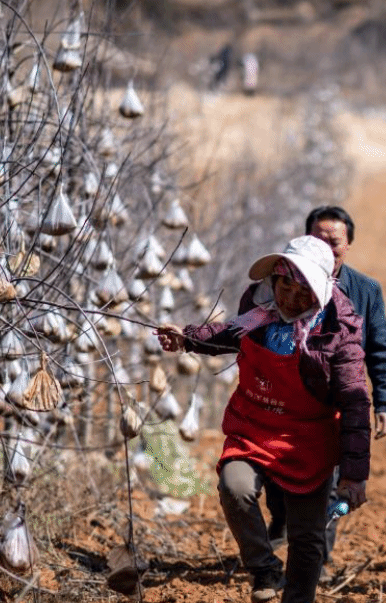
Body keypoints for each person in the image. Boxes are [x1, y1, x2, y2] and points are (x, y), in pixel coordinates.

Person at [156, 235, 370, 603]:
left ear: (319, 291)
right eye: (284, 283)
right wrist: (187, 338)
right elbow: (225, 333)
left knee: (307, 537)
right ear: (273, 281)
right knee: (234, 488)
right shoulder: (258, 313)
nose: (290, 296)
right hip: (253, 429)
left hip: (309, 441)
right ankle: (264, 568)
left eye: (302, 288)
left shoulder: (338, 332)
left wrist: (354, 473)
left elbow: (354, 403)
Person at [266, 206, 386, 578]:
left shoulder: (366, 290)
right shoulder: (281, 283)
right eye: (318, 239)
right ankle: (282, 521)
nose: (327, 246)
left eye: (334, 241)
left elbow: (380, 349)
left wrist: (384, 402)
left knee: (330, 481)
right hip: (288, 402)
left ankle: (316, 561)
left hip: (337, 404)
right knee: (279, 480)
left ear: (349, 245)